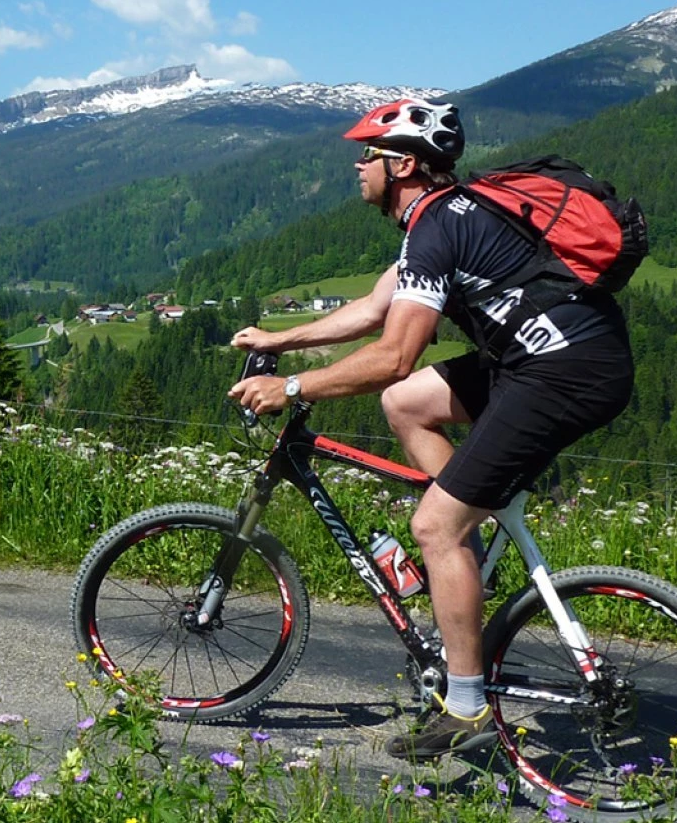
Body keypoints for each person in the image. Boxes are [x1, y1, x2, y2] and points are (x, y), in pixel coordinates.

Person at [226, 98, 634, 759]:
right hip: (550, 359)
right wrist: (282, 337)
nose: (358, 167)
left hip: (562, 371)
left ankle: (467, 704)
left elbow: (392, 355)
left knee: (434, 525)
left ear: (404, 164)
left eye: (369, 155)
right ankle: (465, 549)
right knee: (409, 404)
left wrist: (292, 386)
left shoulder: (439, 227)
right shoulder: (446, 214)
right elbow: (371, 310)